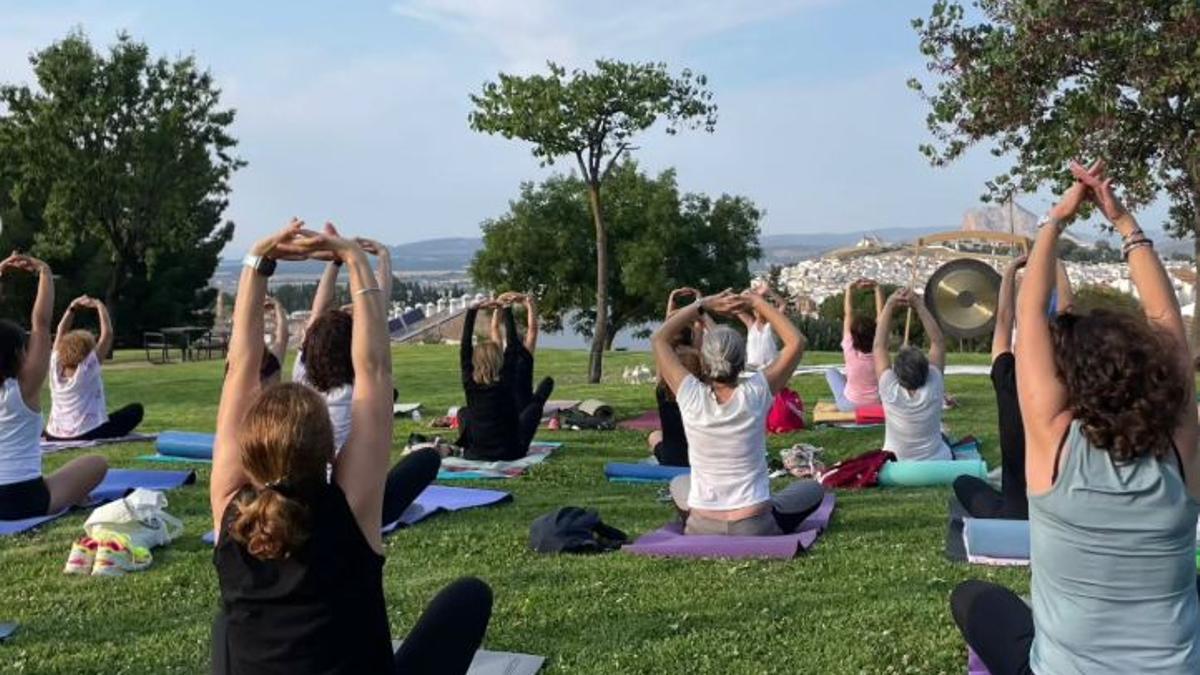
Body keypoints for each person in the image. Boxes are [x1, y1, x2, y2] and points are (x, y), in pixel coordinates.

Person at [950, 161, 1200, 675]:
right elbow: (1170, 328)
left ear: (1073, 378)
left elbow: (1028, 317)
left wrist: (1054, 222)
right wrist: (1125, 222)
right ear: (1156, 373)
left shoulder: (1056, 445)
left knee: (971, 597)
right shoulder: (1181, 443)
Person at [210, 221, 491, 675]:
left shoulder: (228, 509)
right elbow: (375, 369)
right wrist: (355, 260)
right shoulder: (353, 507)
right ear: (329, 454)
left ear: (248, 451)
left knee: (226, 624)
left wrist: (256, 263)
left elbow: (240, 367)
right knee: (470, 596)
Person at [653, 290, 825, 536]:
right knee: (812, 489)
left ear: (704, 362)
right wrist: (756, 301)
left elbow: (659, 339)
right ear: (743, 363)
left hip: (702, 525)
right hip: (754, 523)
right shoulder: (755, 393)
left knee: (679, 483)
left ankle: (694, 519)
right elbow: (796, 341)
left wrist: (702, 304)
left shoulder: (690, 394)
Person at [952, 256, 1074, 520]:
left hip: (1017, 510)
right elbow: (1067, 310)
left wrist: (1009, 271)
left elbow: (1004, 320)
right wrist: (1055, 264)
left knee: (963, 482)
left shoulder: (1007, 376)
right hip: (1061, 511)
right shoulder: (1065, 379)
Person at [0, 254, 107, 521]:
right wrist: (45, 273)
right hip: (26, 499)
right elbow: (42, 324)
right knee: (98, 463)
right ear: (17, 354)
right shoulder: (25, 387)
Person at [292, 225, 392, 450]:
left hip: (309, 470)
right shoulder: (360, 385)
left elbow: (318, 312)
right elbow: (378, 309)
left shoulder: (302, 375)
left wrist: (335, 262)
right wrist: (383, 257)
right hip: (351, 474)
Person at [456, 301, 554, 461]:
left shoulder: (470, 384)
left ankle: (470, 444)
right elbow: (512, 346)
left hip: (476, 452)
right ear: (499, 359)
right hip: (509, 452)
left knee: (464, 412)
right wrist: (507, 309)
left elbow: (465, 349)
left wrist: (472, 311)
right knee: (535, 407)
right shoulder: (506, 381)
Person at [43, 296, 145, 441]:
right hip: (87, 432)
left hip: (54, 434)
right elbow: (107, 334)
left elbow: (61, 330)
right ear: (86, 353)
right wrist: (99, 305)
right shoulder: (86, 370)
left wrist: (72, 307)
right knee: (136, 410)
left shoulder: (54, 367)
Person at [872, 288, 951, 461]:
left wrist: (889, 305)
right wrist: (920, 306)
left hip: (896, 459)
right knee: (944, 433)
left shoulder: (889, 388)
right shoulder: (934, 383)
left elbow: (879, 346)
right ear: (926, 370)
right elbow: (938, 341)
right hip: (937, 459)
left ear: (896, 373)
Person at [825, 279, 884, 411]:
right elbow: (881, 316)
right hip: (876, 403)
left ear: (853, 335)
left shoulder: (849, 348)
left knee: (831, 372)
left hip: (848, 405)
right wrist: (877, 288)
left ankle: (837, 405)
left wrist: (849, 289)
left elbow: (848, 313)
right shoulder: (880, 351)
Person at [647, 345, 702, 467]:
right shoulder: (703, 393)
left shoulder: (662, 392)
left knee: (654, 435)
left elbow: (661, 369)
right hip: (699, 459)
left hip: (671, 459)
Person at [489, 291, 540, 409]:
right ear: (523, 340)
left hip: (505, 403)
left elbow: (494, 328)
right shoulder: (526, 355)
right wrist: (527, 301)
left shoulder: (502, 356)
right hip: (524, 403)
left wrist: (500, 305)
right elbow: (533, 328)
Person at [737, 283, 786, 370]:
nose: (759, 312)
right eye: (756, 310)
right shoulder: (750, 324)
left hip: (771, 367)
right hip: (751, 367)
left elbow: (782, 304)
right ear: (753, 312)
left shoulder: (772, 324)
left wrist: (769, 292)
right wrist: (746, 294)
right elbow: (736, 307)